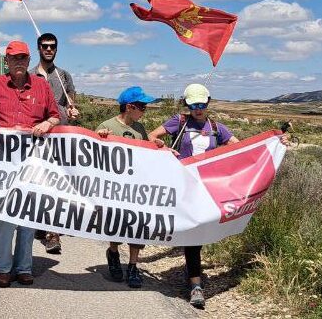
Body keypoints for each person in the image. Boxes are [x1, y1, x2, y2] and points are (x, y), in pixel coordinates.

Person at [0, 40, 60, 288]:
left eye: (23, 58)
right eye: (14, 58)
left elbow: (55, 115)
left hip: (33, 163)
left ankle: (24, 266)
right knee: (4, 217)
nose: (19, 62)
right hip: (2, 165)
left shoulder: (42, 86)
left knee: (28, 218)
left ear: (28, 59)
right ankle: (2, 266)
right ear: (7, 62)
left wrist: (48, 124)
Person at [148, 83, 239, 309]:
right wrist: (163, 147)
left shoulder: (217, 127)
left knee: (197, 234)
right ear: (186, 104)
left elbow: (240, 147)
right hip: (181, 186)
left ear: (208, 103)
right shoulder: (179, 122)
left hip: (206, 189)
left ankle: (191, 273)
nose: (197, 109)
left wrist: (275, 141)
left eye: (201, 104)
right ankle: (196, 285)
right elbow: (152, 136)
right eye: (193, 105)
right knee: (192, 234)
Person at [95, 86, 166, 288]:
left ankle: (133, 266)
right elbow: (92, 153)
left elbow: (147, 150)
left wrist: (157, 145)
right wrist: (100, 137)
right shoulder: (107, 126)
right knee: (117, 225)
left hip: (135, 188)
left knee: (136, 227)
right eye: (142, 107)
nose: (145, 110)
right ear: (129, 107)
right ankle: (114, 253)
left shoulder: (140, 129)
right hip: (115, 189)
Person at [32, 33, 78, 254]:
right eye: (45, 46)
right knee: (37, 181)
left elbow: (71, 99)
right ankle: (40, 222)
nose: (49, 50)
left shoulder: (64, 76)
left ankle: (53, 233)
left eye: (52, 47)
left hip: (58, 133)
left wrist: (72, 109)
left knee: (55, 182)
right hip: (35, 134)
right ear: (39, 48)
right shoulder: (30, 75)